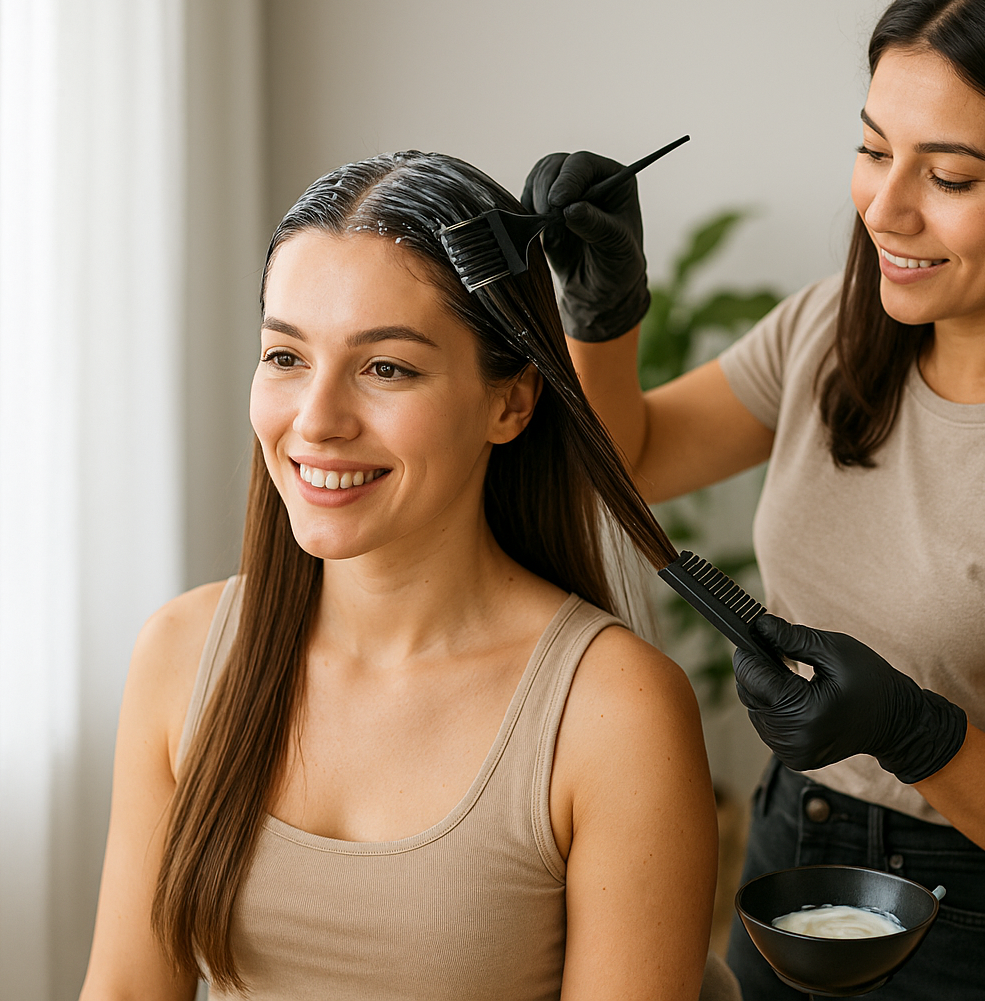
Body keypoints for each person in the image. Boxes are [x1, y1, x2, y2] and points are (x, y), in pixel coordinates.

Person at [521, 0, 985, 997]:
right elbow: (631, 459)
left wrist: (917, 733)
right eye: (872, 149)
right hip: (790, 862)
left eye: (948, 174)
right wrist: (605, 310)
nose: (885, 208)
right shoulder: (834, 329)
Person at [78, 152, 723, 1001]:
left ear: (511, 403)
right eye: (285, 357)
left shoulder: (613, 712)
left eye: (387, 367)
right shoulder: (183, 653)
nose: (316, 421)